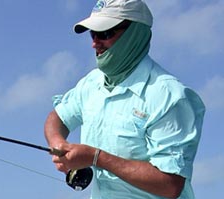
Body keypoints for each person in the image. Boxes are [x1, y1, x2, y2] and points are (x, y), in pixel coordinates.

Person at [44, 0, 205, 198]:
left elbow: (170, 184)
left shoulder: (170, 96)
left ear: (134, 34)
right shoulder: (91, 83)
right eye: (92, 34)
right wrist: (58, 143)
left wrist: (96, 158)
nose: (95, 43)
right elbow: (57, 118)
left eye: (105, 33)